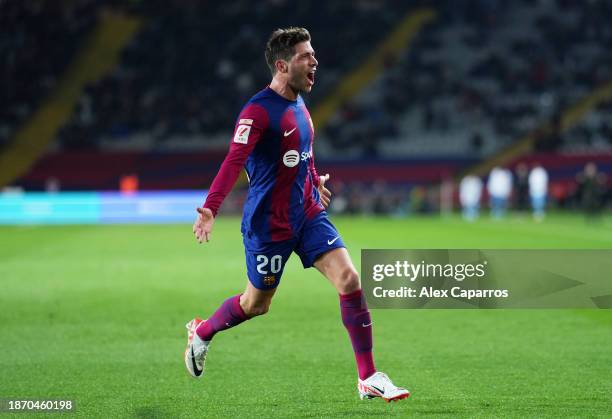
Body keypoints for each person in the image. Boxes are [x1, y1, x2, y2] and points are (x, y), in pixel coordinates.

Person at [186, 27, 409, 402]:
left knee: (350, 278)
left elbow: (303, 153)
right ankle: (203, 331)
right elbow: (233, 160)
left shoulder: (301, 106)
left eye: (313, 54)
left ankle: (368, 377)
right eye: (307, 56)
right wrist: (211, 207)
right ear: (282, 65)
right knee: (256, 304)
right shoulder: (257, 111)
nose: (315, 61)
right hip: (269, 225)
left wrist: (313, 180)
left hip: (306, 213)